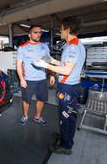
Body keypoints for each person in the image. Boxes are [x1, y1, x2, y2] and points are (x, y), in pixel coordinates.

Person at [32, 16, 86, 155]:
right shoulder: (72, 44)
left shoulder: (73, 47)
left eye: (61, 29)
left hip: (68, 87)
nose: (60, 32)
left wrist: (45, 64)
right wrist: (51, 60)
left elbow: (67, 70)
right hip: (69, 85)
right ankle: (64, 137)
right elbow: (65, 64)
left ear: (67, 30)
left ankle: (66, 146)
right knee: (65, 116)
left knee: (67, 116)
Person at [16, 25, 55, 126]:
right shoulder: (23, 48)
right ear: (29, 35)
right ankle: (25, 116)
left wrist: (51, 75)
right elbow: (18, 64)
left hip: (42, 79)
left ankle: (37, 117)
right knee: (26, 100)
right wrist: (21, 79)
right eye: (35, 32)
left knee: (41, 99)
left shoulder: (44, 46)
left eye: (40, 32)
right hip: (28, 79)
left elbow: (48, 61)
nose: (38, 34)